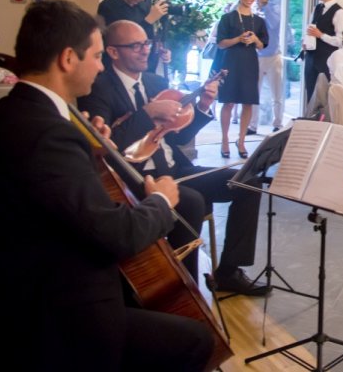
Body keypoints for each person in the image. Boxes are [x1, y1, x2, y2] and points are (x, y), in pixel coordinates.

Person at [0, 0, 214, 371]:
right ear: (68, 59)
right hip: (59, 308)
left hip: (31, 274)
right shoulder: (50, 133)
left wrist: (92, 146)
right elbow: (116, 235)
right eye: (98, 56)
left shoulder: (15, 111)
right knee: (196, 341)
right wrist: (161, 200)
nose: (101, 67)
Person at [79, 20, 266, 296]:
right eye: (135, 46)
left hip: (176, 169)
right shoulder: (100, 89)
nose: (145, 51)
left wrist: (202, 106)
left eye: (146, 44)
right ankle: (185, 287)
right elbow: (107, 146)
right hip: (137, 178)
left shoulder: (156, 81)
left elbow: (175, 136)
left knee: (246, 182)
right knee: (191, 201)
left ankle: (228, 271)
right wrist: (148, 113)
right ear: (113, 52)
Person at [215, 0, 268, 159]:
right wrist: (238, 39)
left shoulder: (258, 21)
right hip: (230, 62)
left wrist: (255, 40)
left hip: (249, 63)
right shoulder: (228, 18)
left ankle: (242, 140)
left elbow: (262, 45)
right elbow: (221, 44)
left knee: (248, 102)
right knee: (228, 102)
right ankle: (224, 139)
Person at [97, 0, 170, 72]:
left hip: (145, 68)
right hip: (119, 69)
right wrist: (149, 20)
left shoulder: (143, 6)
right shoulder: (109, 6)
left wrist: (158, 49)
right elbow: (125, 41)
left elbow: (147, 37)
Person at [249, 0, 289, 134]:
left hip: (273, 56)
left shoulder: (274, 7)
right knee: (254, 94)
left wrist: (265, 6)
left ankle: (278, 123)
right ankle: (253, 125)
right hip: (257, 56)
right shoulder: (251, 8)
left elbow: (275, 24)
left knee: (276, 93)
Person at [304, 0, 343, 102]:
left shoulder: (339, 12)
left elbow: (341, 41)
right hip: (311, 58)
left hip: (326, 61)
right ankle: (310, 119)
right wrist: (306, 41)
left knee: (323, 98)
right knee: (310, 93)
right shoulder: (317, 8)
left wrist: (321, 35)